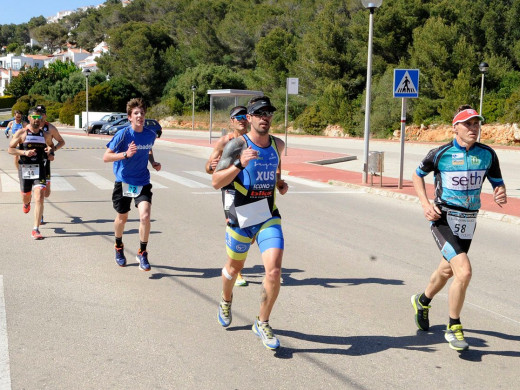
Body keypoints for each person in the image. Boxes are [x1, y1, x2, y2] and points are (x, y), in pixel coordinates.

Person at [411, 105, 507, 351]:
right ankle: (454, 326)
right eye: (468, 124)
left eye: (476, 124)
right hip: (443, 218)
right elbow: (417, 174)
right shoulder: (440, 153)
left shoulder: (487, 154)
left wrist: (500, 192)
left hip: (468, 222)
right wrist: (424, 203)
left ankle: (422, 301)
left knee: (447, 271)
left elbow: (497, 182)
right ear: (455, 127)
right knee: (463, 271)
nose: (474, 128)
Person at [212, 96, 289, 350]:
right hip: (241, 217)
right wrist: (239, 163)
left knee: (274, 271)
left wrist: (279, 183)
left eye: (269, 113)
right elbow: (216, 181)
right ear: (250, 118)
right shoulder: (236, 145)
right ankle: (225, 299)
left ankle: (262, 321)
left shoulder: (278, 145)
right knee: (232, 270)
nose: (266, 117)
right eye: (260, 113)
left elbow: (276, 170)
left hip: (268, 215)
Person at [103, 98, 161, 272]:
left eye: (142, 113)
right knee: (123, 218)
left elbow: (148, 148)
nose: (140, 116)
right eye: (136, 113)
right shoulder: (123, 134)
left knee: (144, 216)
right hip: (124, 181)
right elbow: (106, 157)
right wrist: (125, 155)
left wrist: (153, 162)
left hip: (142, 181)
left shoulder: (150, 134)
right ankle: (118, 246)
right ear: (129, 117)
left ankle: (142, 252)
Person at [206, 105, 250, 287]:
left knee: (251, 230)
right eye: (237, 116)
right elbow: (209, 167)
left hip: (250, 188)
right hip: (230, 187)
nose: (241, 119)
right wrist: (211, 165)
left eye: (244, 115)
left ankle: (236, 261)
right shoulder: (224, 142)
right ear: (231, 121)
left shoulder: (254, 140)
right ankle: (236, 268)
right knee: (234, 225)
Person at [8, 107, 55, 239]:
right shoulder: (21, 133)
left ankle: (36, 229)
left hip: (39, 168)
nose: (36, 120)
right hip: (25, 169)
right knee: (26, 196)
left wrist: (50, 153)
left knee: (39, 195)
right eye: (34, 117)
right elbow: (10, 149)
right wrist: (24, 152)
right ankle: (26, 203)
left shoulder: (45, 135)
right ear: (29, 118)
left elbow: (51, 148)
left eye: (39, 118)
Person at [36, 104, 66, 225]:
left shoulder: (51, 128)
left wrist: (52, 151)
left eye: (41, 114)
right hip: (32, 163)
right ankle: (40, 214)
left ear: (45, 115)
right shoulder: (31, 127)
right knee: (40, 192)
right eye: (36, 114)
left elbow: (61, 142)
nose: (38, 116)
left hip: (45, 162)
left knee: (47, 193)